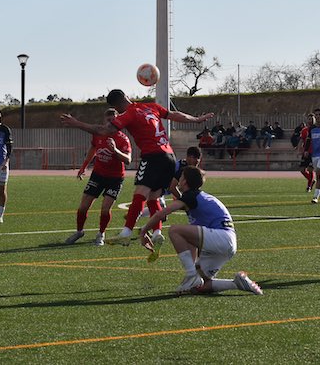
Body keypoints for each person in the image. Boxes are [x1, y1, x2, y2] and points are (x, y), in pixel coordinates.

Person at [60, 88, 214, 255]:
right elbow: (175, 115)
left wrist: (77, 124)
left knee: (140, 193)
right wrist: (197, 119)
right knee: (154, 197)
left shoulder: (129, 114)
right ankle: (157, 233)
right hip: (169, 156)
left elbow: (103, 130)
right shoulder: (151, 107)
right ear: (127, 97)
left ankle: (126, 233)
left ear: (116, 107)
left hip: (152, 156)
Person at [139, 166, 262, 296]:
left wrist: (143, 231)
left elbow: (161, 214)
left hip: (221, 238)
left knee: (174, 230)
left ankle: (191, 274)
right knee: (199, 286)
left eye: (180, 178)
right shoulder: (199, 197)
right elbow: (192, 241)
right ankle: (237, 283)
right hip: (226, 242)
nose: (178, 181)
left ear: (185, 181)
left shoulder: (190, 196)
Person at [65, 108, 132, 246]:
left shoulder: (122, 139)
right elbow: (93, 149)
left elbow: (128, 160)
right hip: (98, 175)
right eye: (108, 120)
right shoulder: (98, 134)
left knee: (105, 209)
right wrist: (84, 166)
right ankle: (79, 231)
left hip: (115, 178)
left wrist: (115, 150)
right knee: (83, 207)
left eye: (114, 120)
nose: (111, 123)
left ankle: (101, 234)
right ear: (104, 121)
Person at [297, 114, 315, 192]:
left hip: (314, 153)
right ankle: (311, 180)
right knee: (302, 169)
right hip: (306, 152)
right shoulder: (304, 130)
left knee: (310, 169)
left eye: (312, 119)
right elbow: (301, 140)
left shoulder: (316, 129)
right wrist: (299, 150)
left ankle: (309, 186)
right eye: (309, 119)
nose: (310, 120)